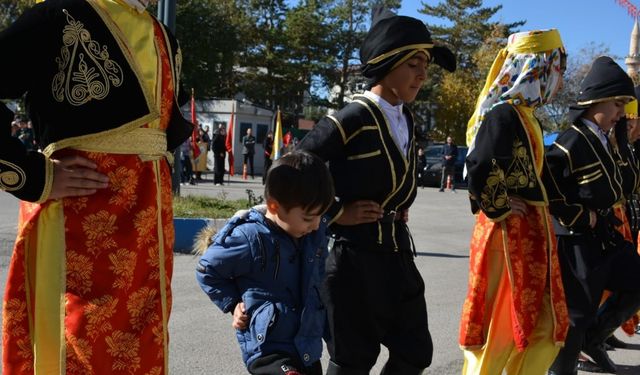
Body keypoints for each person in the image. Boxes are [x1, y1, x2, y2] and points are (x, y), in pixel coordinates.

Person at [0, 0, 192, 373]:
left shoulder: (162, 34)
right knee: (76, 341)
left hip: (148, 230)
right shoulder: (55, 16)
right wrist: (34, 175)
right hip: (78, 223)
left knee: (145, 340)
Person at [296, 7, 456, 374]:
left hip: (397, 252)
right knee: (352, 359)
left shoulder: (406, 117)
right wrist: (336, 212)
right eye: (414, 63)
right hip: (353, 259)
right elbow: (292, 169)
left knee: (415, 350)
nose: (422, 74)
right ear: (388, 61)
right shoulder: (351, 116)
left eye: (426, 65)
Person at [460, 29, 569, 375]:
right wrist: (500, 205)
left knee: (536, 321)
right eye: (557, 70)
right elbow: (478, 165)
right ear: (538, 67)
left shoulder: (525, 115)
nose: (559, 80)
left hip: (526, 234)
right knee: (499, 327)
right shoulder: (504, 114)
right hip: (506, 237)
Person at [195, 150, 335, 375]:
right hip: (267, 348)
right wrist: (233, 304)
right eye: (309, 218)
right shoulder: (250, 237)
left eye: (321, 216)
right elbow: (207, 269)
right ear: (274, 207)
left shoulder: (310, 235)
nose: (317, 225)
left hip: (306, 348)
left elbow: (319, 284)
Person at [544, 56, 640, 375]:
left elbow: (624, 188)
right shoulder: (571, 140)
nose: (621, 113)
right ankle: (563, 369)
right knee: (577, 314)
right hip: (576, 241)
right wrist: (583, 218)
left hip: (603, 237)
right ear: (595, 100)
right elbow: (549, 189)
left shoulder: (604, 140)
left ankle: (595, 339)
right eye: (617, 104)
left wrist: (624, 146)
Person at [576, 85, 640, 373]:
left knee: (622, 284)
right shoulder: (584, 140)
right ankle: (577, 347)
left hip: (613, 223)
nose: (628, 122)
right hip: (587, 229)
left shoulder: (618, 144)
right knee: (584, 296)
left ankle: (596, 336)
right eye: (628, 117)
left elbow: (628, 184)